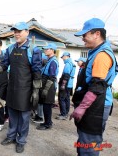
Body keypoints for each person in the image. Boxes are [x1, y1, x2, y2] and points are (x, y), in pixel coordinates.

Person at [0, 22, 43, 153]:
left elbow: (37, 72)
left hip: (26, 89)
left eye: (19, 31)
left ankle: (21, 141)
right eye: (15, 31)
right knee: (12, 115)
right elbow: (5, 64)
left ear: (27, 32)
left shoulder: (33, 50)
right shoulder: (11, 49)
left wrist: (35, 91)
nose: (16, 34)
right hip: (11, 88)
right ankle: (11, 136)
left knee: (23, 118)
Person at [70, 18, 117, 156]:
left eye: (85, 35)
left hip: (97, 106)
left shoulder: (102, 55)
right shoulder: (95, 52)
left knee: (88, 145)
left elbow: (97, 86)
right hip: (92, 103)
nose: (83, 39)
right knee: (84, 140)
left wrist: (82, 107)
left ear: (97, 34)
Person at [36, 43, 59, 130]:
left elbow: (52, 77)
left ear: (52, 50)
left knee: (47, 105)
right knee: (46, 105)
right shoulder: (49, 60)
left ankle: (48, 124)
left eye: (47, 49)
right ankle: (47, 122)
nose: (45, 50)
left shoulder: (53, 62)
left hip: (49, 85)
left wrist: (45, 89)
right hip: (46, 84)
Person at [56, 51, 76, 120]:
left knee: (62, 98)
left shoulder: (67, 64)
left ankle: (63, 114)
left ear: (67, 56)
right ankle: (66, 112)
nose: (62, 58)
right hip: (69, 85)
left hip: (66, 84)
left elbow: (66, 76)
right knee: (67, 98)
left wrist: (63, 85)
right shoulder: (72, 63)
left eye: (63, 57)